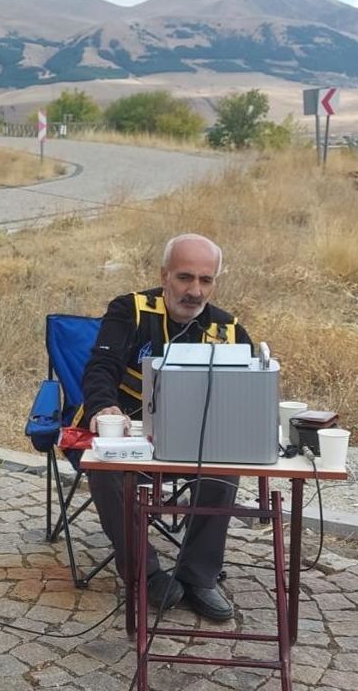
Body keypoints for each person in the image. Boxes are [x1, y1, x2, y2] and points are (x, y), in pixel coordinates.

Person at [79, 234, 252, 621]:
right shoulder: (130, 311)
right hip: (127, 439)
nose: (195, 291)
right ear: (164, 276)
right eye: (185, 277)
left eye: (206, 280)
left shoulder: (227, 329)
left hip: (192, 444)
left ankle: (198, 576)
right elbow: (101, 367)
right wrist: (103, 406)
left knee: (225, 467)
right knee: (106, 470)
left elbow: (247, 389)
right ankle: (146, 574)